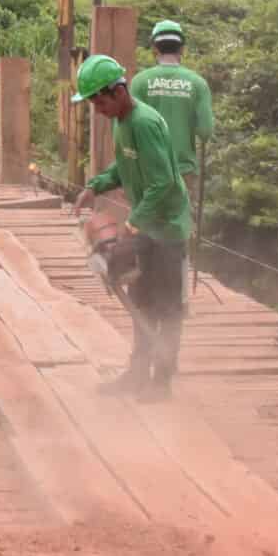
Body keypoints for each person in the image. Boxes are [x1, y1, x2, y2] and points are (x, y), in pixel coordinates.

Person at [72, 55, 192, 400]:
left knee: (167, 306)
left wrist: (133, 225)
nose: (97, 109)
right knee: (140, 299)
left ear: (119, 90)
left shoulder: (143, 123)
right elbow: (125, 167)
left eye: (99, 100)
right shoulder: (121, 121)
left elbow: (163, 182)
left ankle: (162, 381)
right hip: (147, 223)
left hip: (167, 227)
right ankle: (138, 373)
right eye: (92, 102)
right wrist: (96, 185)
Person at [130, 19, 215, 304]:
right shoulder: (197, 84)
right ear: (183, 48)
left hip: (146, 172)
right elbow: (205, 131)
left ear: (154, 47)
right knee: (176, 230)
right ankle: (177, 296)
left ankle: (143, 291)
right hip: (181, 172)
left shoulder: (141, 82)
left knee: (145, 226)